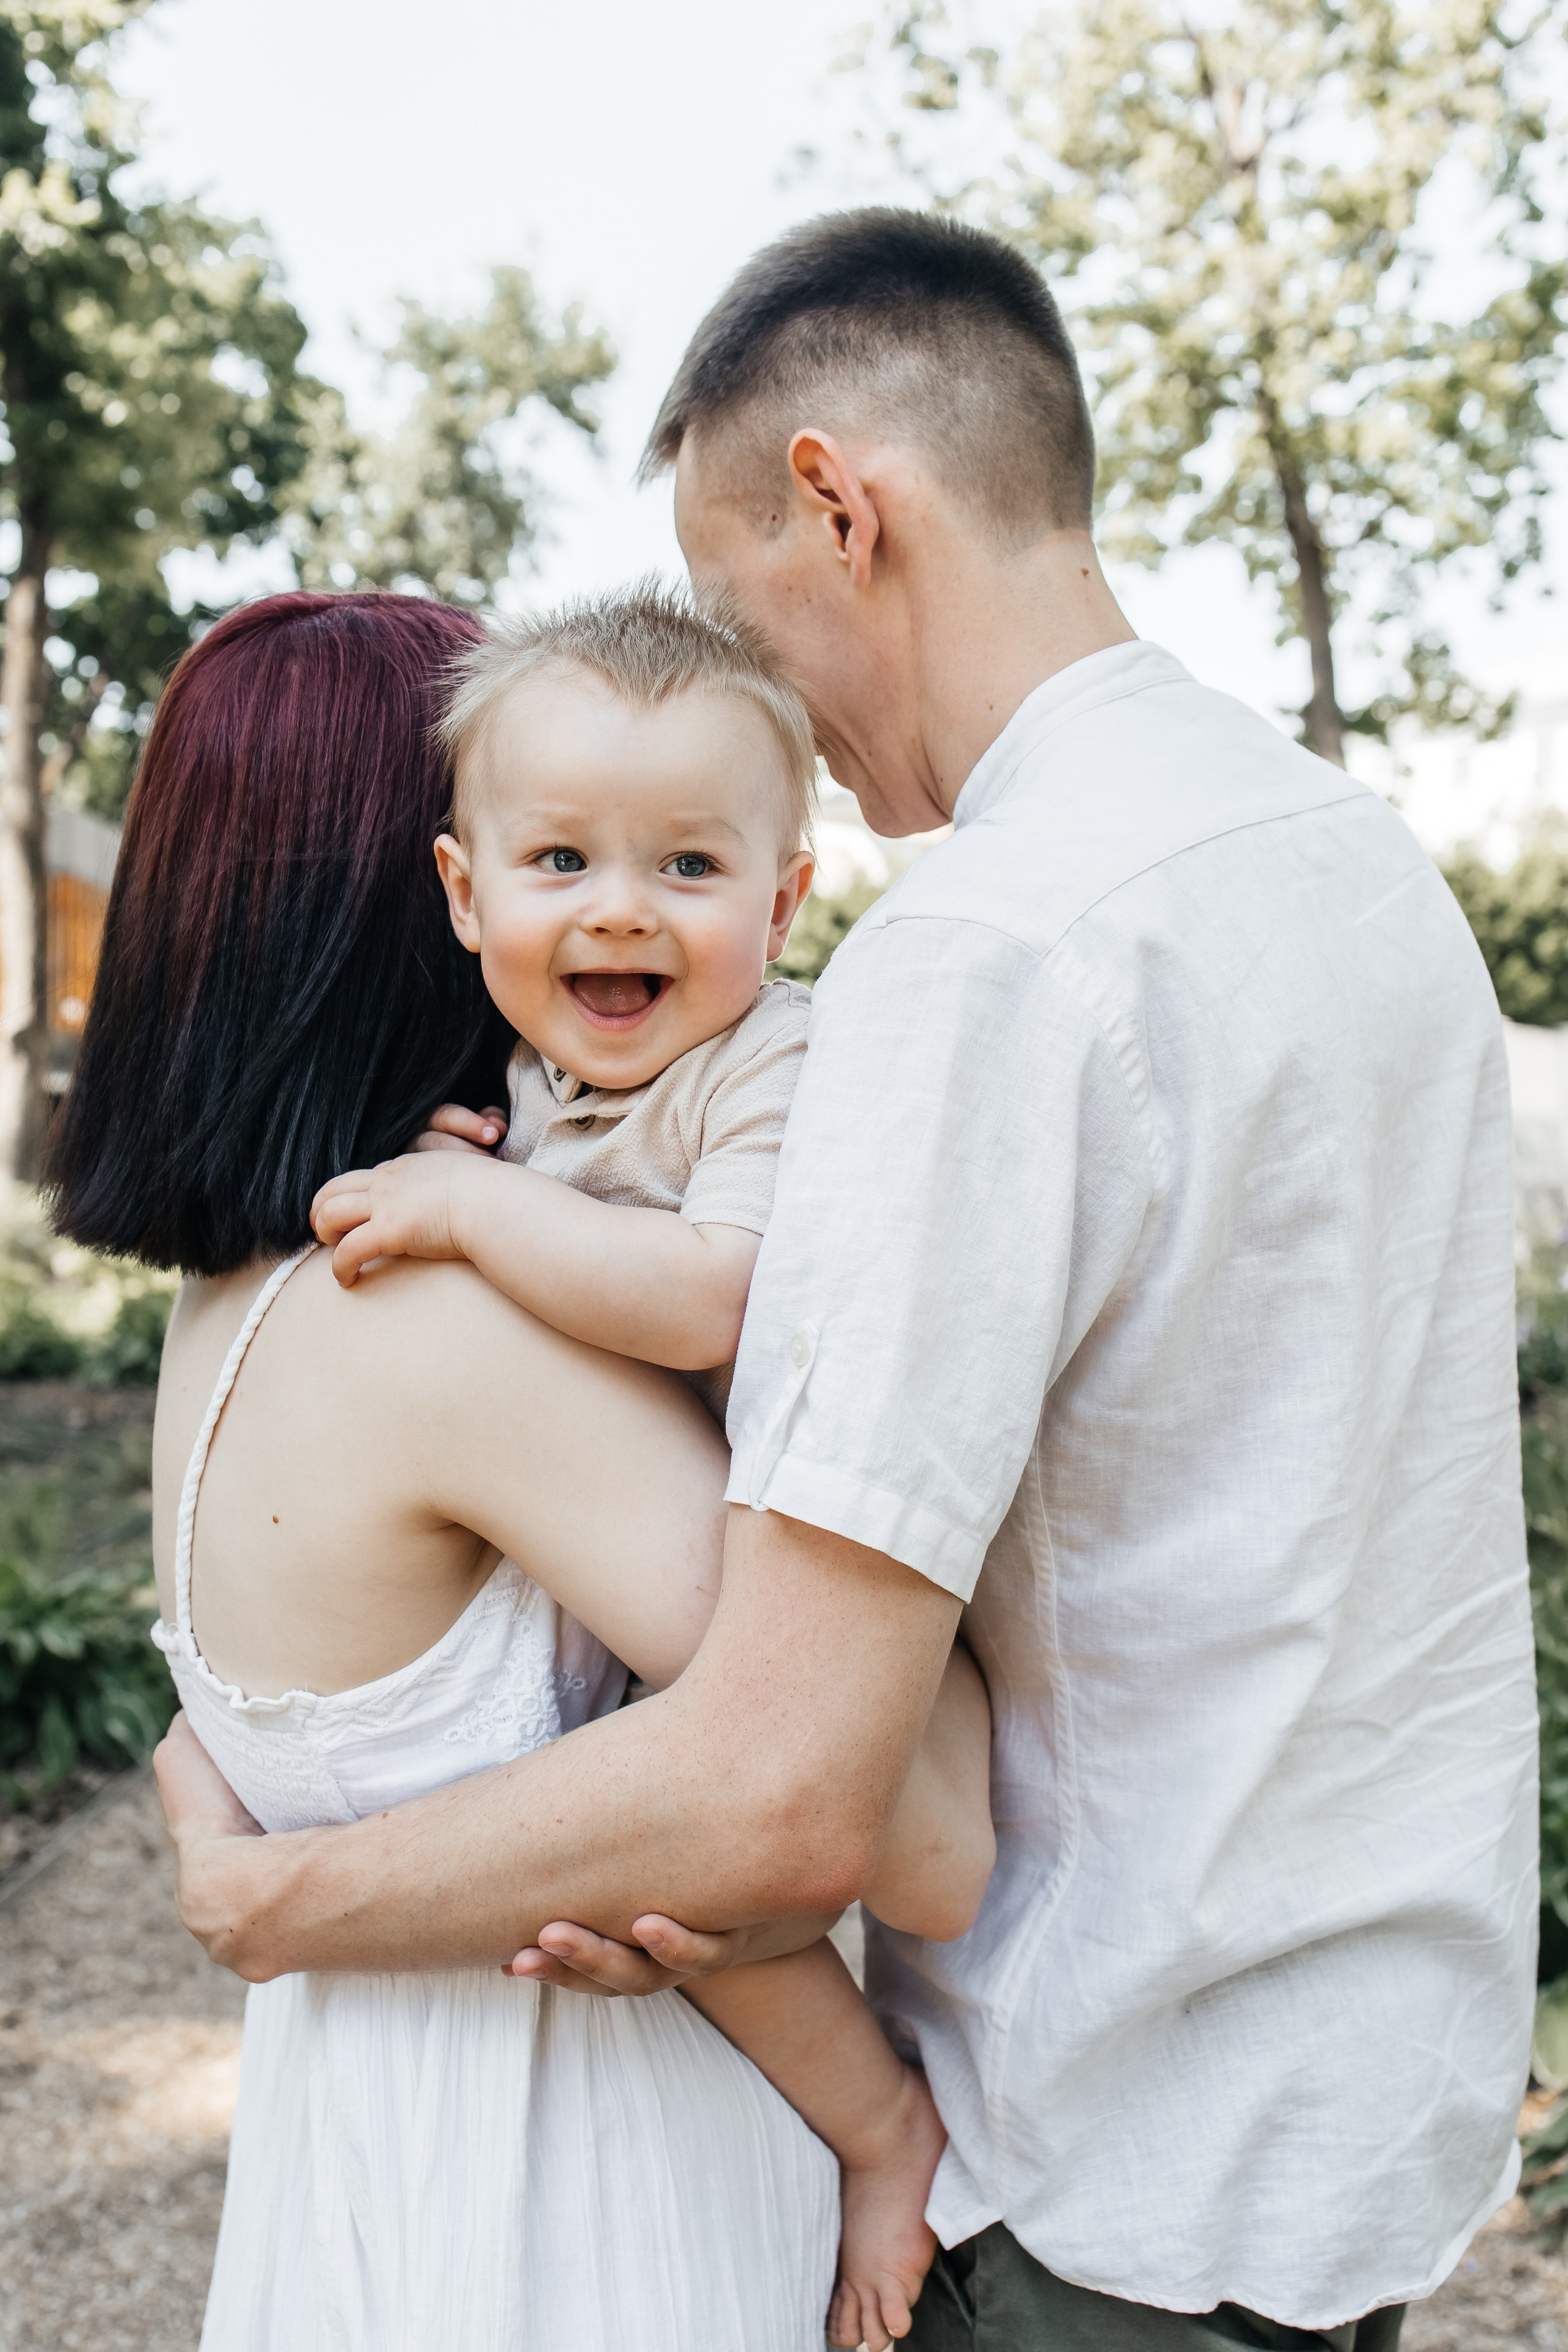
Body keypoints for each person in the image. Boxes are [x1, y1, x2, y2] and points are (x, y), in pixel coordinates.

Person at [154, 209, 1538, 2350]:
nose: (744, 697)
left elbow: (795, 1789)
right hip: (1360, 2130)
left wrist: (282, 1898)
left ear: (837, 506)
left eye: (730, 612)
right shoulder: (1352, 863)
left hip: (1105, 2171)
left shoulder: (980, 951)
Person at [47, 585, 984, 2352]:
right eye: (540, 840)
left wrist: (287, 1892)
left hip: (366, 2182)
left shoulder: (238, 1302)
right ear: (432, 895)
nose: (606, 901)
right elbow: (915, 1825)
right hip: (586, 2205)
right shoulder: (432, 1320)